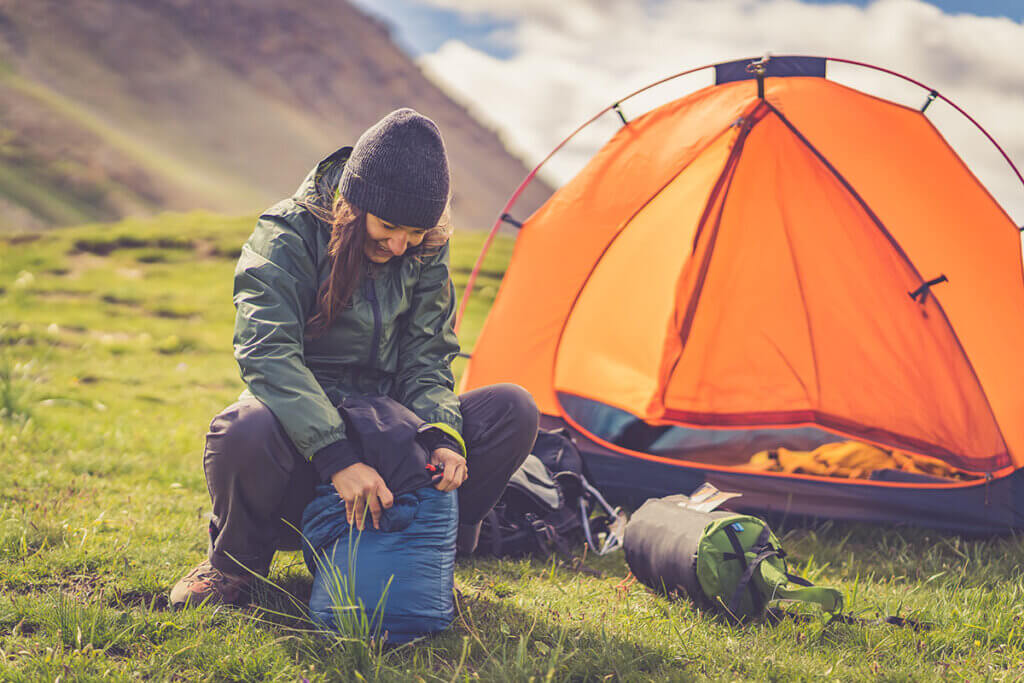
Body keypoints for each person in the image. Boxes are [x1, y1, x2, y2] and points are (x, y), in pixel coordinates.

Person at [170, 109, 539, 608]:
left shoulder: (424, 247)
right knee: (243, 429)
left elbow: (427, 359)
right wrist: (337, 457)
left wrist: (441, 438)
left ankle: (425, 553)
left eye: (415, 231)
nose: (400, 244)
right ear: (353, 204)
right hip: (305, 448)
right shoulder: (287, 235)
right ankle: (234, 567)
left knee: (511, 409)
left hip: (392, 438)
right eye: (388, 226)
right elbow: (268, 352)